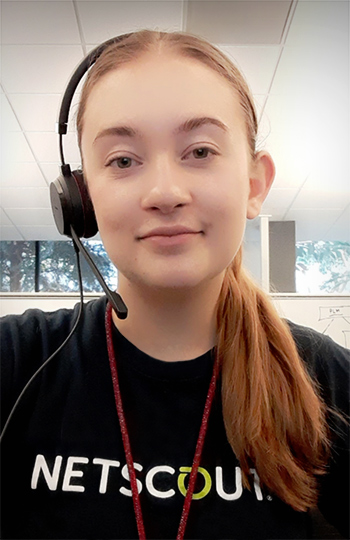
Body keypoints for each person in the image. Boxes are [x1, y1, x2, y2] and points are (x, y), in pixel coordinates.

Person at [0, 29, 349, 540]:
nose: (165, 192)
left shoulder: (329, 384)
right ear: (81, 199)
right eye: (123, 160)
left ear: (253, 185)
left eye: (200, 151)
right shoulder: (17, 363)